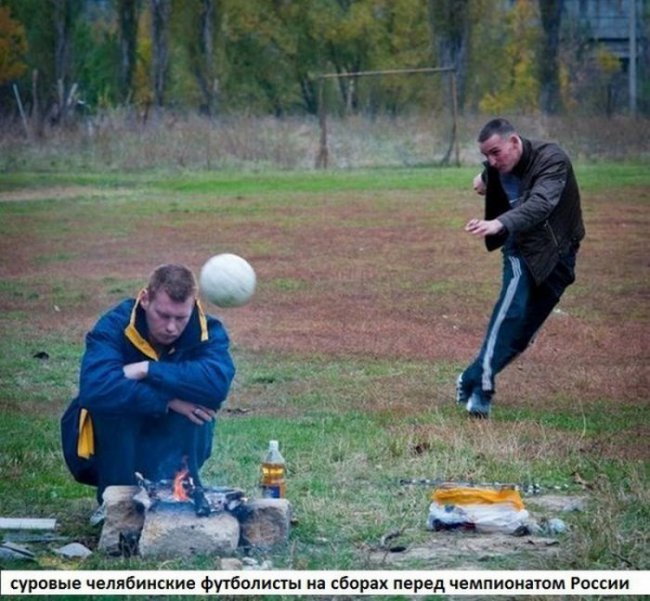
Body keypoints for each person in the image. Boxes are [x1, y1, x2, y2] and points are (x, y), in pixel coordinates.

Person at [61, 263, 236, 506]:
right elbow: (95, 388)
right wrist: (167, 401)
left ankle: (182, 497)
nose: (171, 327)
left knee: (198, 406)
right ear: (145, 299)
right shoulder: (114, 326)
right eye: (163, 315)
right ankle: (118, 507)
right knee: (114, 405)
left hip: (172, 440)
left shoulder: (208, 329)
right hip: (106, 449)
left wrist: (147, 369)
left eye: (180, 318)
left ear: (193, 305)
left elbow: (216, 385)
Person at [457, 118, 585, 418]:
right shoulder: (499, 165)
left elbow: (541, 203)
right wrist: (485, 176)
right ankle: (483, 391)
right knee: (511, 311)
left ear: (515, 142)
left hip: (559, 255)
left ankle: (470, 377)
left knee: (523, 333)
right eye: (486, 156)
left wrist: (498, 222)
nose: (491, 160)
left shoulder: (553, 160)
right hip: (520, 249)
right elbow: (492, 173)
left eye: (495, 152)